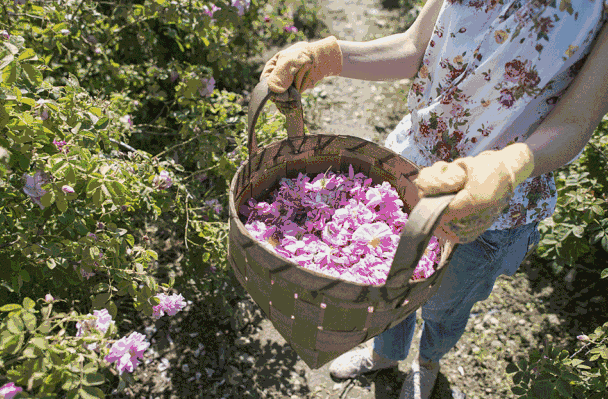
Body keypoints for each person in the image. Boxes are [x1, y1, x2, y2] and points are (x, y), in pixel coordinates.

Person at [260, 0, 608, 397]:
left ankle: (427, 364)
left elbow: (576, 122)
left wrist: (511, 165)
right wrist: (329, 57)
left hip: (489, 205)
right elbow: (415, 47)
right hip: (409, 172)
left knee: (445, 307)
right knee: (387, 286)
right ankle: (385, 356)